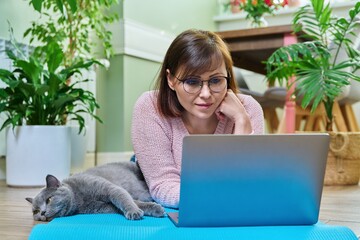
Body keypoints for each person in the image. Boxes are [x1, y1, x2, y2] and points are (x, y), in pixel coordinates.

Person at [131, 29, 264, 208]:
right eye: (192, 82)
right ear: (171, 79)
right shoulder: (150, 106)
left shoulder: (248, 109)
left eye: (216, 80)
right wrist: (223, 197)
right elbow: (163, 186)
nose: (206, 94)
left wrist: (242, 120)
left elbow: (251, 182)